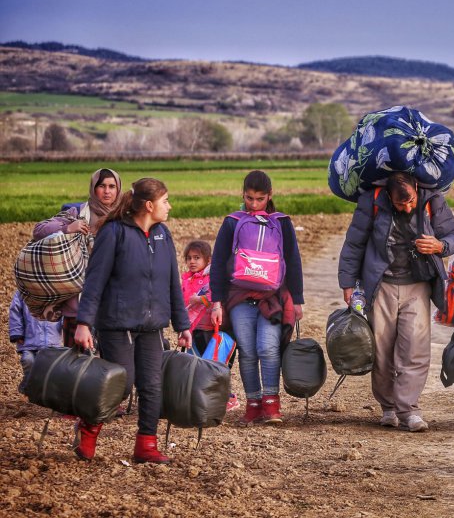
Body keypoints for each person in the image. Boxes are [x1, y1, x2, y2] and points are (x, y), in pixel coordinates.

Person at [74, 178, 192, 464]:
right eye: (165, 201)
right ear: (149, 205)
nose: (169, 206)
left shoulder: (163, 235)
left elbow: (173, 284)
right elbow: (95, 281)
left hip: (152, 326)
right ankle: (87, 430)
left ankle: (146, 446)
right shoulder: (114, 233)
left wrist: (182, 325)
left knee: (152, 387)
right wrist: (83, 323)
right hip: (116, 324)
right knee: (121, 384)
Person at [338, 172, 454, 432]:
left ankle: (409, 410)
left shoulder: (433, 200)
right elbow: (354, 244)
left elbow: (453, 236)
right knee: (381, 351)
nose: (406, 207)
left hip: (418, 285)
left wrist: (439, 246)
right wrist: (348, 284)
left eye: (410, 202)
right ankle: (388, 407)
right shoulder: (371, 201)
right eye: (399, 203)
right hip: (380, 285)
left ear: (417, 189)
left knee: (415, 349)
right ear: (388, 196)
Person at [210, 170, 304, 426]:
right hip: (239, 299)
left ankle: (271, 404)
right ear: (243, 195)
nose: (253, 204)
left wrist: (297, 300)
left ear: (269, 196)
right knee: (248, 352)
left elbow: (293, 261)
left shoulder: (282, 223)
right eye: (249, 198)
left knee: (268, 348)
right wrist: (216, 302)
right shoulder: (232, 222)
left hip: (273, 298)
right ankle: (253, 405)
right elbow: (218, 262)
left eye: (260, 199)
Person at [33, 168, 121, 346]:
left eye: (112, 186)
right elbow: (39, 230)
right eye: (101, 186)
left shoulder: (124, 217)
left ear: (118, 190)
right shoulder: (78, 212)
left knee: (113, 369)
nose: (107, 191)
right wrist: (68, 228)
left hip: (115, 308)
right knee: (78, 368)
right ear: (93, 188)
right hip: (78, 309)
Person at [181, 239, 239, 411]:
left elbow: (217, 294)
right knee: (196, 367)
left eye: (197, 258)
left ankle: (228, 397)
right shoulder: (186, 280)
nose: (192, 261)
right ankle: (201, 400)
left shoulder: (213, 277)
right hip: (194, 330)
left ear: (208, 260)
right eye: (189, 258)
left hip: (212, 330)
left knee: (214, 366)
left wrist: (201, 299)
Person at [8, 289, 63, 395]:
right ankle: (29, 385)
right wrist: (17, 332)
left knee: (47, 367)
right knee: (28, 360)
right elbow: (15, 311)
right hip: (29, 339)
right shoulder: (24, 291)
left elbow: (66, 313)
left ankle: (40, 390)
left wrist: (65, 328)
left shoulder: (58, 291)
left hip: (51, 341)